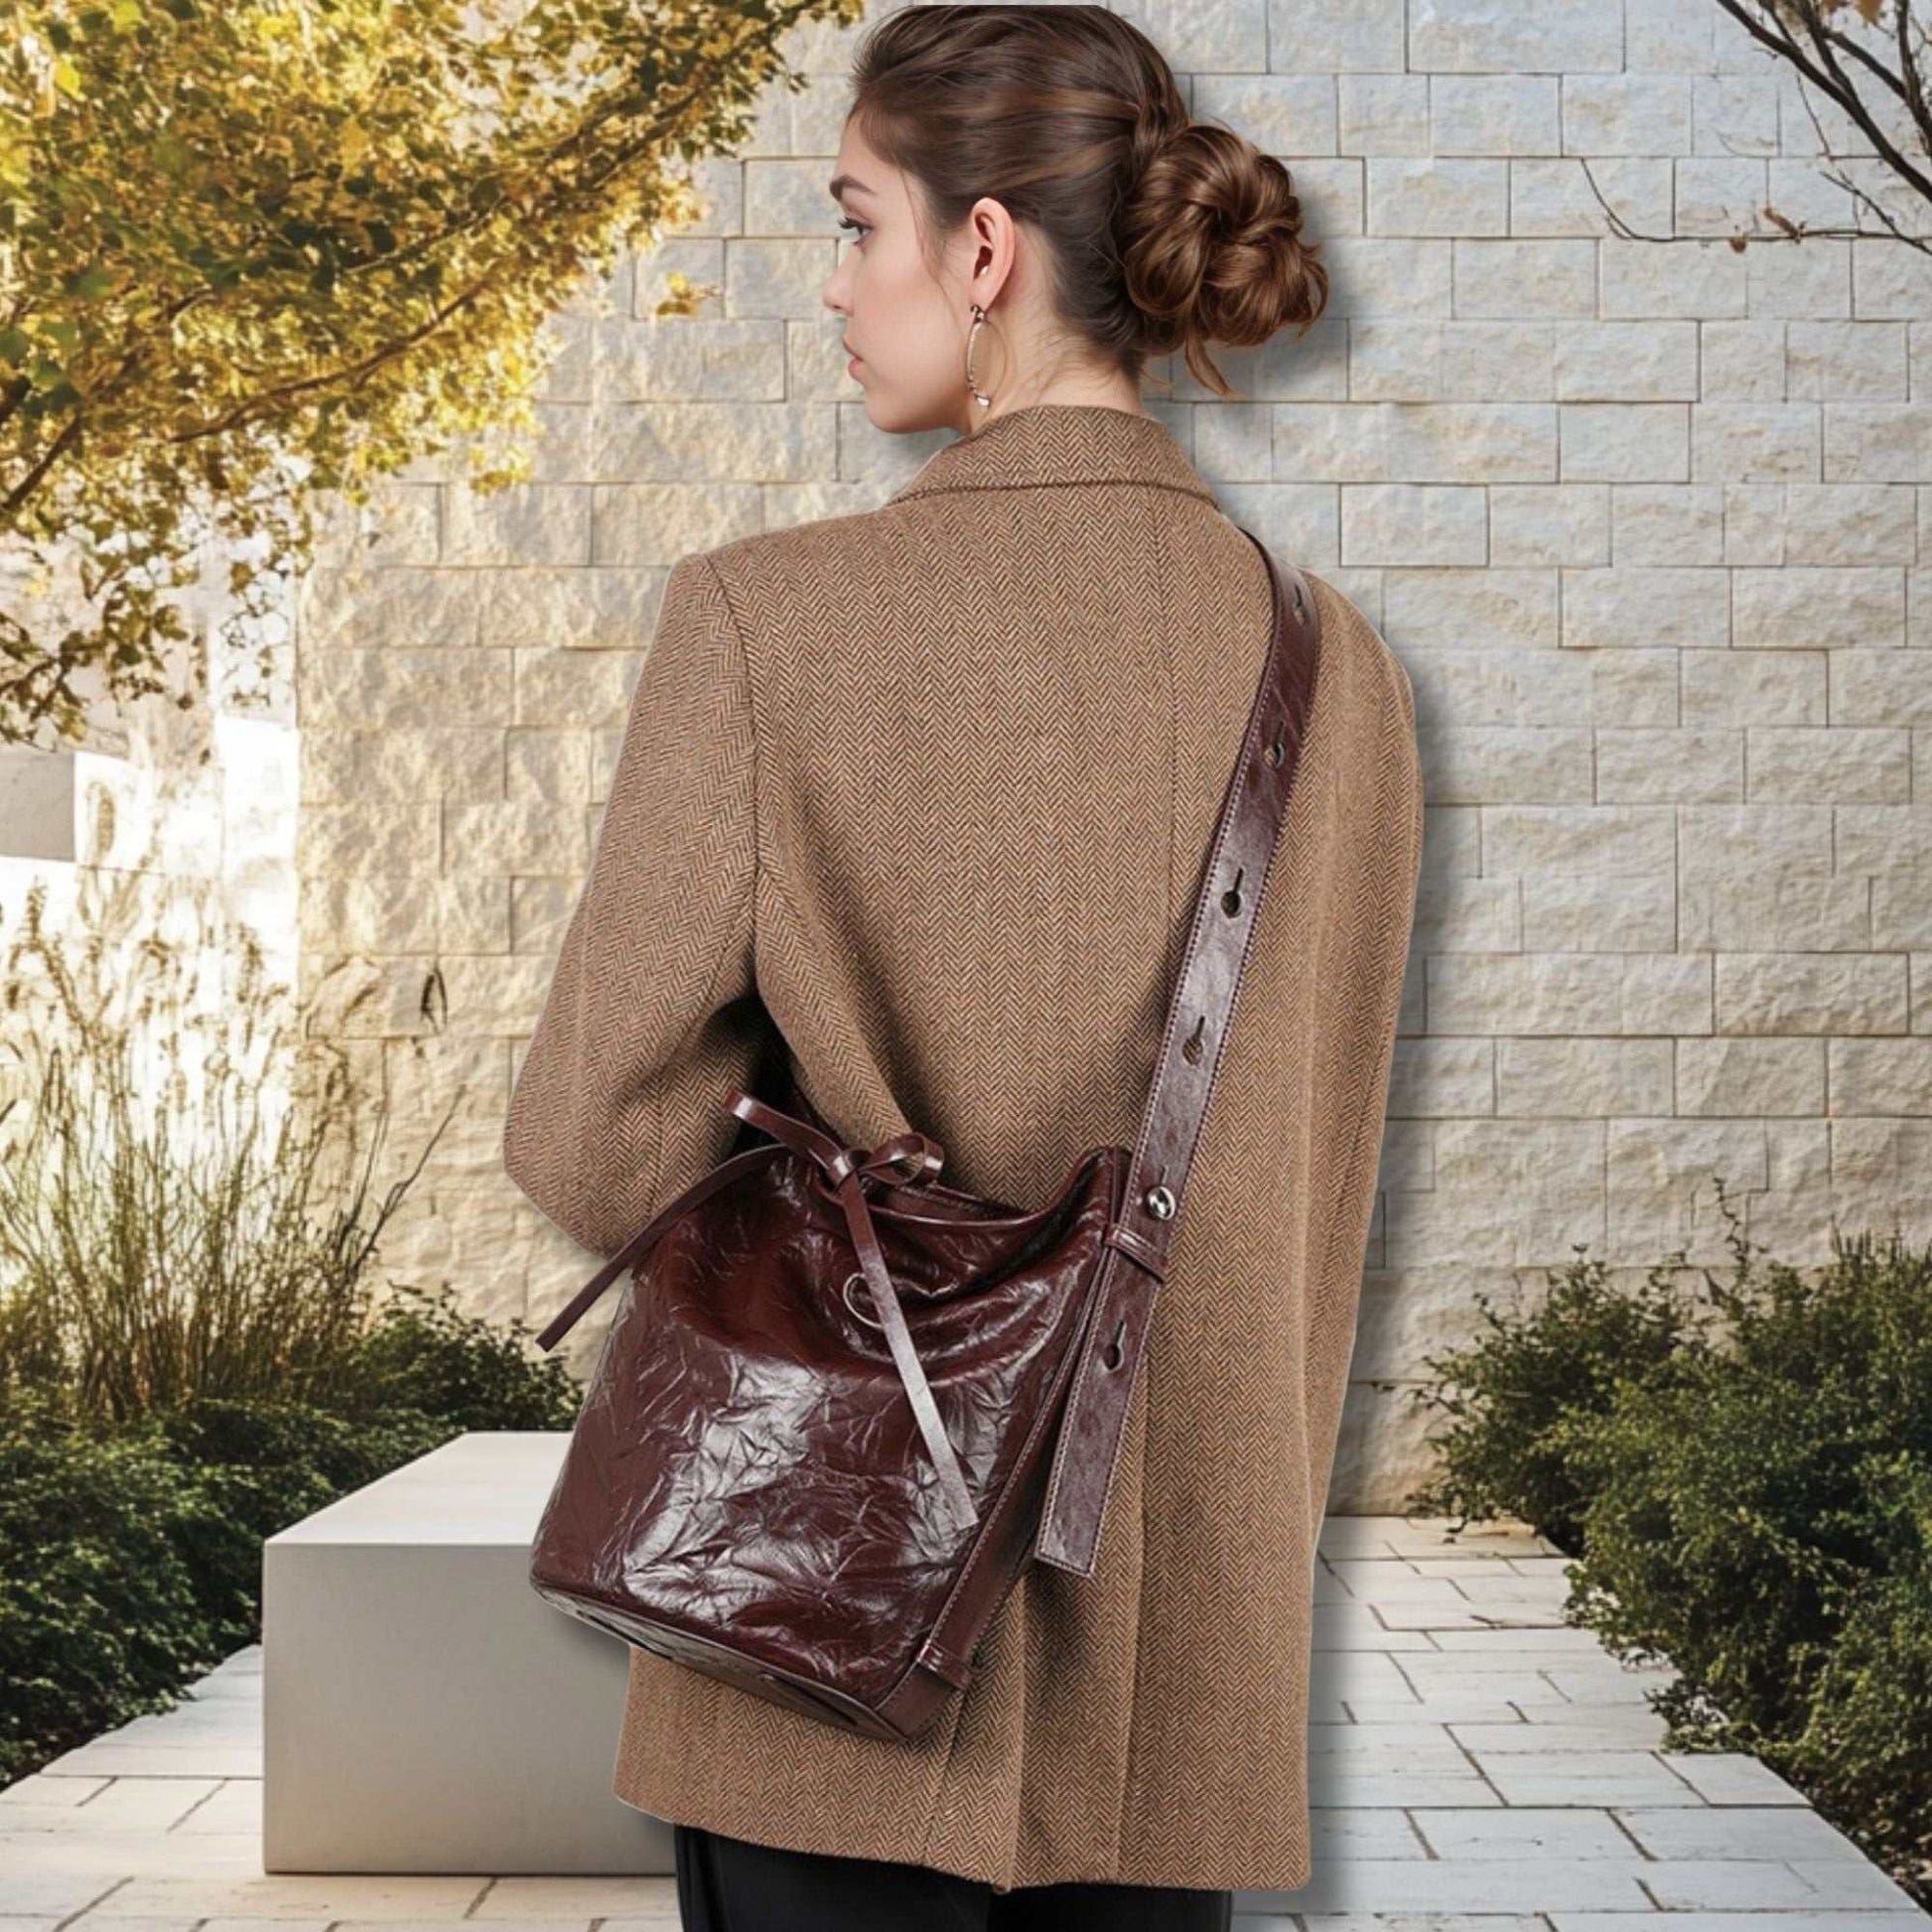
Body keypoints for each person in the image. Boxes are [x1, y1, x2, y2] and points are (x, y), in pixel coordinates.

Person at [501, 5, 1425, 1927]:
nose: (837, 287)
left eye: (857, 224)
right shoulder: (1341, 677)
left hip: (817, 1610)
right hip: (1181, 1660)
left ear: (983, 250)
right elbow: (1311, 1195)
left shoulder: (768, 621)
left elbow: (592, 1129)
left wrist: (830, 1251)